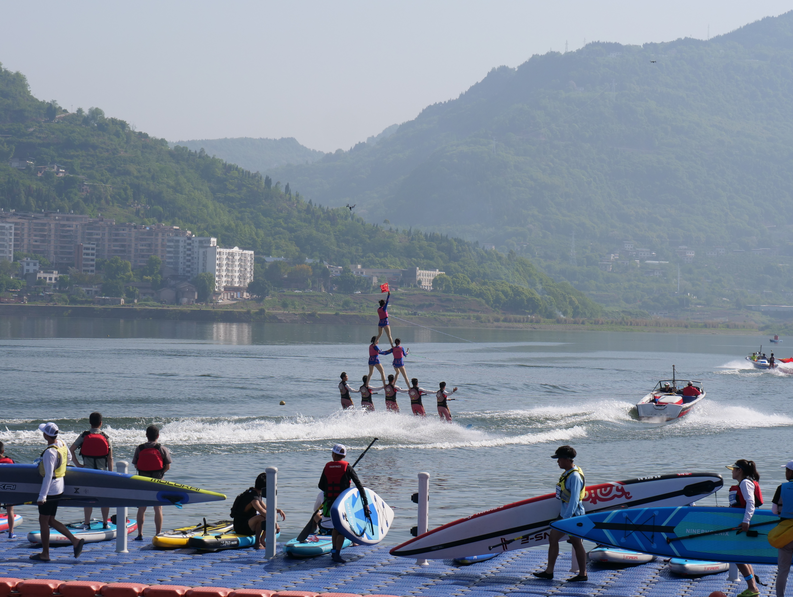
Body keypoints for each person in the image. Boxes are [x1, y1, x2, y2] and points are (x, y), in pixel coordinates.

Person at [533, 445, 587, 582]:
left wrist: (566, 520)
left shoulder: (574, 476)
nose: (557, 462)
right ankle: (549, 571)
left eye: (559, 459)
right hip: (565, 514)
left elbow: (574, 500)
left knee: (576, 543)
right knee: (553, 539)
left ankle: (582, 574)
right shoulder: (568, 472)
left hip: (572, 516)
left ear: (567, 460)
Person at [31, 423, 85, 561]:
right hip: (60, 486)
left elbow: (48, 476)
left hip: (51, 490)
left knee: (43, 520)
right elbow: (70, 458)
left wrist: (42, 496)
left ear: (45, 435)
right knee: (50, 520)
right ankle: (75, 541)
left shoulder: (50, 452)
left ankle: (45, 554)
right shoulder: (61, 443)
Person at [318, 444, 369, 563]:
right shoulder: (348, 467)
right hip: (342, 503)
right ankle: (337, 554)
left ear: (334, 454)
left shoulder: (327, 466)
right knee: (342, 529)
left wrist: (331, 487)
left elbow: (321, 486)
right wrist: (365, 503)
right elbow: (359, 486)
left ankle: (334, 551)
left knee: (336, 526)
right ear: (344, 455)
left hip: (330, 502)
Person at [69, 411, 114, 529]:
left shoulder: (84, 435)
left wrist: (78, 465)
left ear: (90, 422)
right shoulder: (106, 437)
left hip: (87, 473)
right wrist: (111, 473)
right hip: (102, 473)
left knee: (88, 497)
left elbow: (71, 450)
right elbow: (110, 458)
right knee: (104, 497)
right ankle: (105, 523)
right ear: (101, 423)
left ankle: (87, 523)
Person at [726, 460, 762, 597]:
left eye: (733, 469)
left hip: (743, 524)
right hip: (740, 522)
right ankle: (753, 588)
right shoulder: (744, 483)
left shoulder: (745, 483)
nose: (732, 471)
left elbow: (751, 502)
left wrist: (746, 521)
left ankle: (752, 588)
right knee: (741, 556)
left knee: (738, 557)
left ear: (739, 470)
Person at [132, 425, 173, 541]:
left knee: (141, 508)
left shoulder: (139, 448)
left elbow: (136, 464)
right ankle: (158, 534)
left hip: (143, 482)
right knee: (158, 508)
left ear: (146, 435)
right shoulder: (162, 449)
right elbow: (167, 466)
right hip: (158, 482)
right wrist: (159, 474)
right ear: (158, 436)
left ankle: (140, 534)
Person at [229, 472, 286, 550]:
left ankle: (262, 540)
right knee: (262, 518)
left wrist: (277, 511)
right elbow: (263, 512)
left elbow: (267, 508)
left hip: (249, 524)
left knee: (273, 514)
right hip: (241, 527)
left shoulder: (256, 493)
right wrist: (276, 524)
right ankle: (258, 543)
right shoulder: (253, 498)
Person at [771, 460, 793, 597]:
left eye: (787, 470)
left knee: (783, 570)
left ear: (791, 472)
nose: (785, 472)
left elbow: (774, 511)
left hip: (785, 534)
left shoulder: (782, 487)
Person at [0, 442, 16, 538]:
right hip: (8, 489)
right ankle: (11, 532)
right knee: (10, 510)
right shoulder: (9, 461)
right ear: (3, 451)